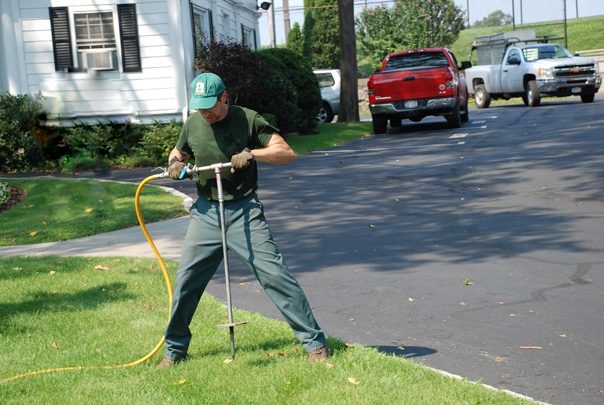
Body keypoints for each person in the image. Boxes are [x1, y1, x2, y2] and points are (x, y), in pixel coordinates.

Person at [157, 72, 329, 368]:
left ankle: (315, 343)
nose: (206, 112)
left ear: (225, 96)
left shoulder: (247, 119)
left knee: (274, 274)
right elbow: (179, 151)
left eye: (211, 105)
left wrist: (253, 154)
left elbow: (285, 153)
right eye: (200, 106)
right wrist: (175, 164)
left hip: (244, 211)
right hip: (206, 212)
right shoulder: (194, 123)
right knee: (186, 280)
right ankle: (174, 351)